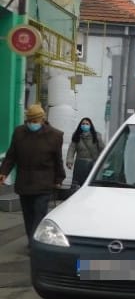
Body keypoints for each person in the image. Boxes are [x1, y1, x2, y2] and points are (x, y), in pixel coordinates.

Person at [0, 103, 65, 246]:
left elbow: (57, 160)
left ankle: (36, 243)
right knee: (28, 215)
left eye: (35, 121)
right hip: (25, 182)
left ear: (42, 120)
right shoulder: (19, 133)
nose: (32, 124)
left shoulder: (54, 135)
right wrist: (3, 172)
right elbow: (11, 156)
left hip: (44, 182)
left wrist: (59, 178)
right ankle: (32, 240)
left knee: (39, 214)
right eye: (30, 121)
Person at [66, 117, 104, 188]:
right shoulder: (76, 135)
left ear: (90, 125)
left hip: (93, 164)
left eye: (87, 124)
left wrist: (102, 162)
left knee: (91, 185)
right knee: (77, 185)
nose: (85, 125)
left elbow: (102, 148)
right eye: (83, 124)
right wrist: (69, 161)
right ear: (80, 125)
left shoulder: (96, 136)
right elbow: (71, 149)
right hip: (80, 164)